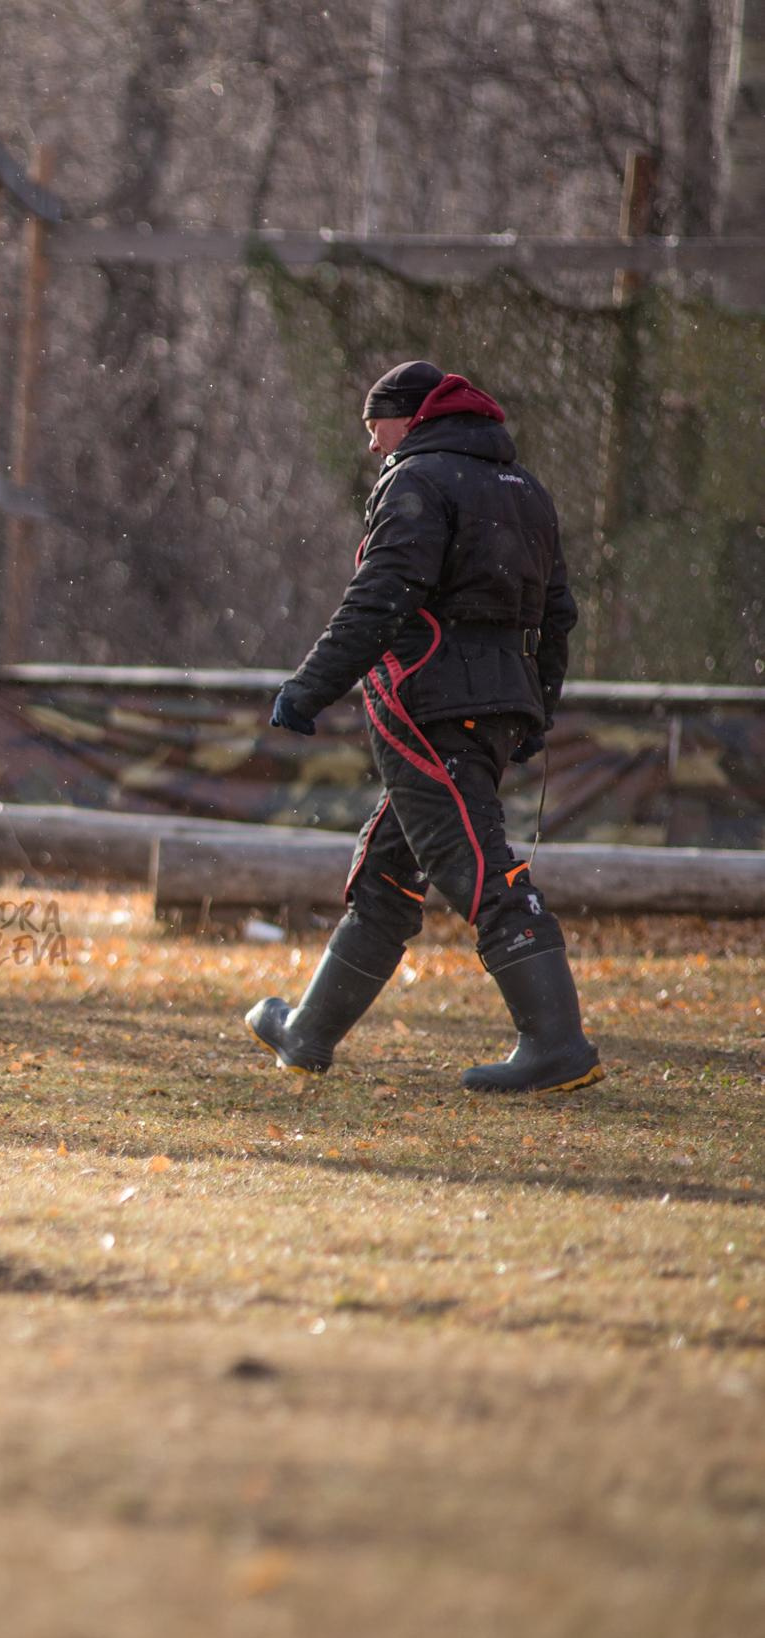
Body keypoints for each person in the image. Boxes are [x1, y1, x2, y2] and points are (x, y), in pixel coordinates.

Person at [247, 360, 601, 1093]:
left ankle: (557, 1043)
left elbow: (381, 599)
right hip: (498, 703)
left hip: (427, 701)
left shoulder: (418, 481)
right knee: (387, 871)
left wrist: (310, 689)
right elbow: (556, 613)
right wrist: (536, 705)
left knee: (475, 865)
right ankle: (308, 1032)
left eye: (377, 429)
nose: (375, 448)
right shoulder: (524, 489)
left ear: (411, 418)